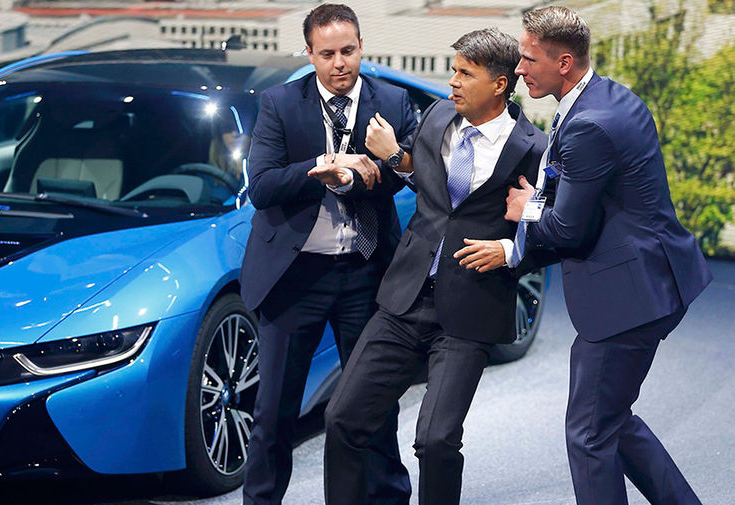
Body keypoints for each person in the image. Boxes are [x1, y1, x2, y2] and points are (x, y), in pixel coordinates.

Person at [485, 6, 712, 505]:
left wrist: (525, 211)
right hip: (656, 278)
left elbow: (567, 229)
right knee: (611, 421)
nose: (519, 69)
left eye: (529, 59)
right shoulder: (612, 97)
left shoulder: (588, 124)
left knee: (589, 434)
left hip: (630, 297)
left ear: (564, 63)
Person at [323, 28, 546, 505]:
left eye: (465, 73)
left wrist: (510, 250)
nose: (453, 82)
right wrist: (392, 157)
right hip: (405, 298)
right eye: (454, 70)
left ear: (500, 84)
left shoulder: (534, 148)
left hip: (470, 310)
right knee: (342, 419)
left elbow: (554, 229)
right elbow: (424, 180)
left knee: (436, 441)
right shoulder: (438, 116)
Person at [238, 4, 416, 505]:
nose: (340, 63)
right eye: (327, 54)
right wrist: (324, 164)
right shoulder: (280, 103)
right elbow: (263, 187)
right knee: (274, 413)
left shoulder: (392, 101)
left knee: (375, 408)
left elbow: (410, 173)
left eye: (348, 51)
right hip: (295, 276)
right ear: (310, 54)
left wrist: (361, 176)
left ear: (361, 47)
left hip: (366, 272)